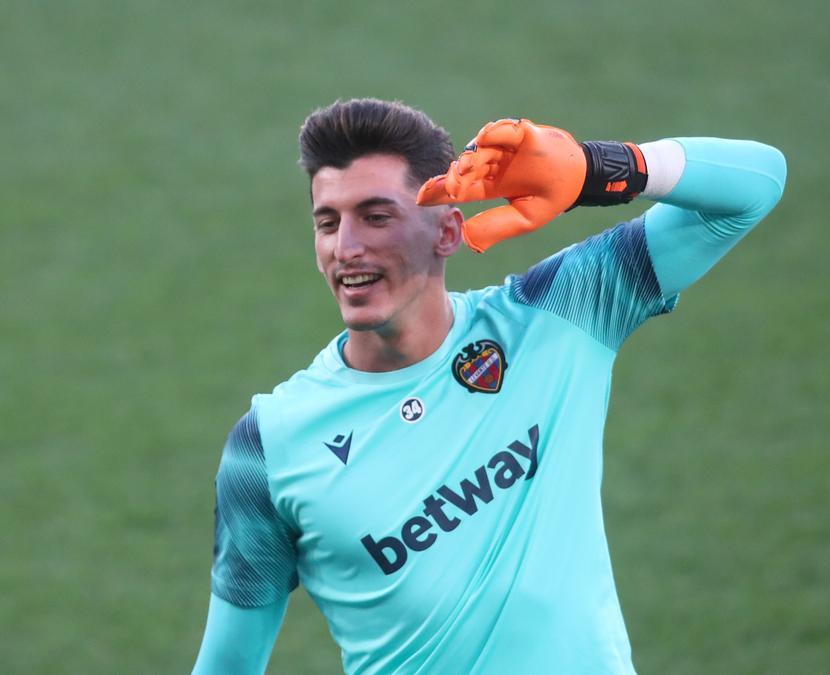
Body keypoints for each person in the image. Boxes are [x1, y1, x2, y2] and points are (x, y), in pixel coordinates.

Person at [192, 99, 786, 674]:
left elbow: (756, 184)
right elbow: (228, 665)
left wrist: (599, 168)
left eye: (376, 217)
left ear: (447, 231)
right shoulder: (270, 446)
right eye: (328, 223)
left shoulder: (558, 315)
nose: (346, 248)